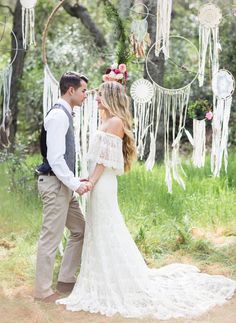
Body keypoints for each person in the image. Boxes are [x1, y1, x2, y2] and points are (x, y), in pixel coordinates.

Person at [57, 81, 236, 319]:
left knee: (107, 226)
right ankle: (102, 274)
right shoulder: (107, 121)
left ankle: (116, 277)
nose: (96, 99)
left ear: (110, 97)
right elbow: (99, 157)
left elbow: (104, 160)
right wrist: (87, 177)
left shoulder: (116, 123)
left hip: (102, 184)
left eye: (100, 96)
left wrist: (91, 181)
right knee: (99, 228)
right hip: (97, 181)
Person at [35, 71, 92, 303]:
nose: (86, 95)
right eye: (84, 90)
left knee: (80, 230)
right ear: (71, 91)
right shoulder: (59, 116)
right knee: (51, 237)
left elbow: (63, 158)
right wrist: (76, 184)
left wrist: (74, 181)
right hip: (55, 185)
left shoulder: (66, 114)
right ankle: (42, 291)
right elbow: (56, 159)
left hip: (64, 186)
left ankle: (66, 280)